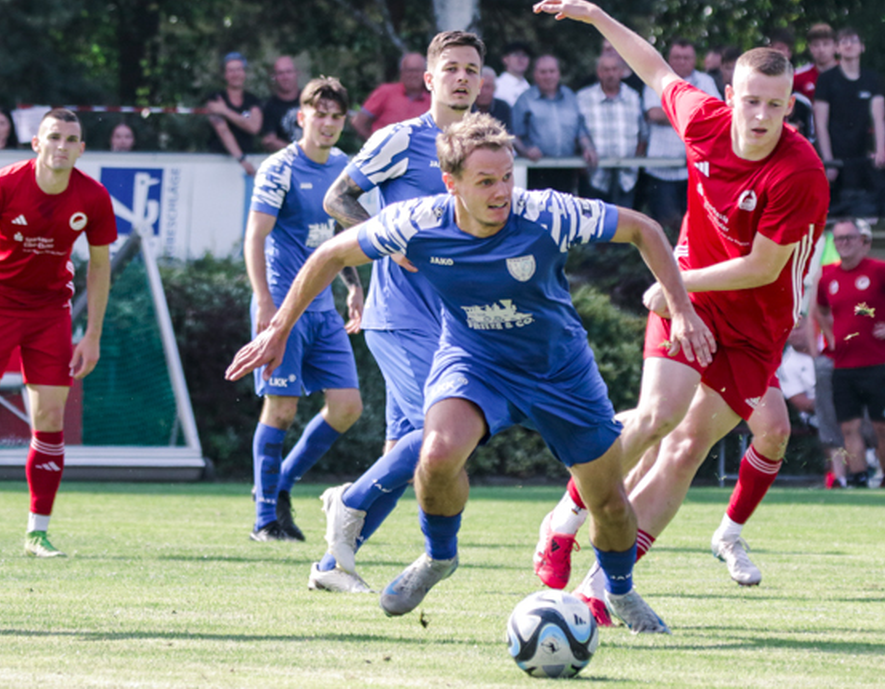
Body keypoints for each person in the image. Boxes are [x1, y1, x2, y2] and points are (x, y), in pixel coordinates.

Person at [226, 111, 714, 634]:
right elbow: (328, 254)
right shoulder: (416, 221)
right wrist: (277, 329)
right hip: (475, 362)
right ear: (451, 183)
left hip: (560, 371)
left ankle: (619, 591)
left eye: (507, 176)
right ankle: (439, 557)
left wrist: (682, 309)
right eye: (485, 181)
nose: (502, 191)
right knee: (434, 456)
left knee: (609, 504)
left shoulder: (548, 212)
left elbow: (645, 229)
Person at [531, 0, 829, 620]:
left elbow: (762, 267)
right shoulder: (703, 120)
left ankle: (603, 585)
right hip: (690, 295)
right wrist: (598, 18)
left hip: (754, 325)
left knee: (687, 447)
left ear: (790, 106)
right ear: (729, 92)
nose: (760, 115)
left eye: (775, 105)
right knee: (655, 416)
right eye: (750, 100)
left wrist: (679, 280)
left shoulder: (800, 172)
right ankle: (562, 520)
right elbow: (655, 68)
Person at [313, 31, 486, 593]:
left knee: (409, 455)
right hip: (399, 314)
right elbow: (337, 197)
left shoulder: (485, 149)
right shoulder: (399, 139)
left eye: (471, 70)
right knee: (443, 438)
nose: (462, 77)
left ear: (481, 82)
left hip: (453, 324)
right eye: (452, 68)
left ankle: (334, 565)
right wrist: (391, 242)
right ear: (431, 79)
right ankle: (348, 499)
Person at [0, 109, 117, 560]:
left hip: (49, 311)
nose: (62, 145)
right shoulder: (3, 183)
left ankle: (37, 532)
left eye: (71, 139)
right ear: (36, 144)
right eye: (53, 137)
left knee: (51, 420)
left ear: (81, 148)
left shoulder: (93, 197)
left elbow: (100, 266)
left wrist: (92, 334)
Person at [243, 77, 365, 542]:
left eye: (337, 116)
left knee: (347, 407)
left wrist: (353, 285)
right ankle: (264, 519)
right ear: (302, 117)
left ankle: (280, 486)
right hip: (285, 308)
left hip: (325, 308)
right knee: (281, 409)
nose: (329, 123)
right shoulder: (279, 168)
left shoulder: (344, 168)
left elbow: (341, 235)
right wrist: (266, 303)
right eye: (321, 114)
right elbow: (255, 237)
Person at [811, 219, 885, 489]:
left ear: (865, 242)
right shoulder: (827, 275)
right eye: (839, 239)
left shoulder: (881, 269)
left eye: (850, 238)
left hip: (877, 362)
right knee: (849, 427)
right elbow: (821, 310)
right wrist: (831, 337)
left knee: (882, 426)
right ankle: (858, 477)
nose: (844, 244)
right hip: (842, 364)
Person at [640, 38, 721, 232]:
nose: (681, 61)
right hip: (661, 169)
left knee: (695, 228)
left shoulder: (705, 81)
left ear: (694, 60)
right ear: (669, 58)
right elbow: (654, 113)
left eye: (686, 57)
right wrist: (694, 115)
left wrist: (673, 112)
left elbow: (716, 114)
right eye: (677, 57)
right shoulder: (656, 79)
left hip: (695, 170)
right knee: (664, 229)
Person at [813, 28, 885, 219]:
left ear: (862, 47)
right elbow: (820, 123)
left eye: (853, 41)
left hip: (862, 155)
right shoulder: (826, 80)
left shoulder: (872, 79)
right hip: (836, 154)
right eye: (844, 41)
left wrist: (880, 150)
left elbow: (879, 118)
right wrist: (829, 160)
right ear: (837, 48)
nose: (849, 45)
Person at [511, 54, 598, 194]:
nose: (548, 76)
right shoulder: (525, 100)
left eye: (552, 71)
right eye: (543, 72)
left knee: (565, 212)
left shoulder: (570, 96)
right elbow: (514, 136)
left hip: (567, 169)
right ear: (535, 74)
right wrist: (525, 151)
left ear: (558, 74)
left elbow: (580, 130)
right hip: (537, 169)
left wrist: (588, 147)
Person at [576, 53, 648, 207]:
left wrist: (634, 163)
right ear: (598, 72)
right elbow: (576, 132)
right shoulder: (583, 97)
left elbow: (643, 135)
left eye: (614, 69)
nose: (610, 74)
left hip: (626, 178)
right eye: (605, 70)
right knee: (593, 228)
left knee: (623, 228)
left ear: (621, 72)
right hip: (593, 178)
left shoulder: (633, 97)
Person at [205, 52, 263, 177]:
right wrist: (241, 159)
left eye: (239, 70)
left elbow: (254, 127)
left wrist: (225, 111)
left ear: (244, 73)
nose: (235, 74)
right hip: (217, 161)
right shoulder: (215, 98)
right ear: (225, 74)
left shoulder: (252, 100)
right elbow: (222, 130)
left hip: (249, 160)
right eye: (231, 70)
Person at [350, 53, 430, 142]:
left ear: (425, 74)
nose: (413, 75)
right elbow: (358, 121)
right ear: (401, 72)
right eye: (409, 70)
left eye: (417, 71)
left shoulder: (432, 102)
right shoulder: (385, 92)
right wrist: (375, 144)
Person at [260, 56, 304, 152]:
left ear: (297, 73)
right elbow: (269, 141)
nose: (285, 77)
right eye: (280, 73)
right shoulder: (269, 107)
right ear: (274, 77)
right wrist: (301, 152)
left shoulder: (309, 100)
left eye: (289, 72)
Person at [793, 24, 837, 103]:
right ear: (810, 48)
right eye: (816, 45)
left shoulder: (847, 73)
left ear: (835, 46)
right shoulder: (798, 76)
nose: (821, 50)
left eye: (826, 44)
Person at [493, 41, 532, 106]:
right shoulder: (497, 86)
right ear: (505, 59)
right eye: (516, 54)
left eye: (524, 55)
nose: (521, 59)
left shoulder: (528, 87)